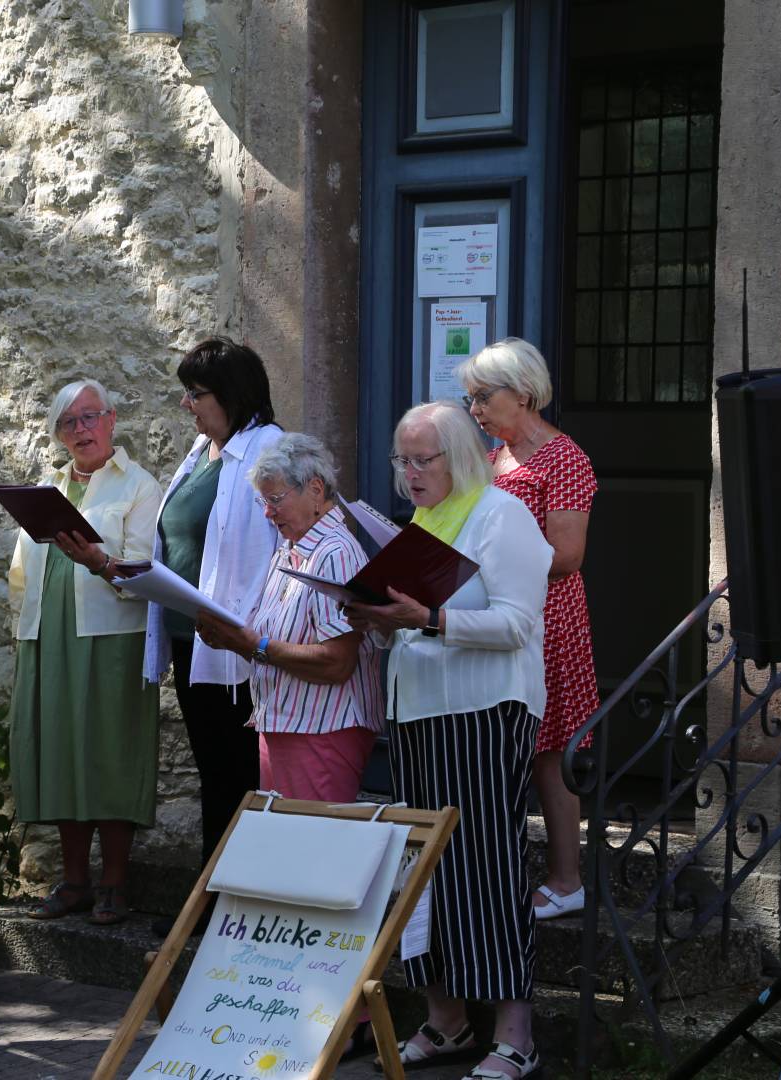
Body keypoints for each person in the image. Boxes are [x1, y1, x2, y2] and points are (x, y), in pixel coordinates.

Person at [344, 403, 552, 1080]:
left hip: (485, 711)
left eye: (421, 460)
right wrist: (380, 620)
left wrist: (427, 618)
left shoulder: (502, 515)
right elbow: (414, 625)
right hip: (419, 714)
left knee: (485, 866)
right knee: (422, 870)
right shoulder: (420, 525)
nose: (408, 475)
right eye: (400, 461)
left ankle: (515, 1037)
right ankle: (446, 1021)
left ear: (459, 456)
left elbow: (517, 624)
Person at [8, 380, 163, 925]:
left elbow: (145, 570)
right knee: (61, 752)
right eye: (69, 423)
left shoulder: (140, 487)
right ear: (59, 435)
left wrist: (99, 560)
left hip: (112, 636)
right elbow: (22, 573)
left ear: (112, 421)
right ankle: (73, 881)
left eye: (90, 417)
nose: (82, 430)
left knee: (110, 753)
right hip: (50, 635)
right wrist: (26, 628)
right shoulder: (44, 489)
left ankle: (114, 882)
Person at [142, 337, 283, 935]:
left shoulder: (269, 453)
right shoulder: (204, 451)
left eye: (196, 393)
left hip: (235, 647)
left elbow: (279, 546)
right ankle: (213, 898)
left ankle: (232, 906)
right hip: (190, 639)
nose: (186, 404)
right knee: (214, 774)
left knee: (238, 775)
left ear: (230, 395)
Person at [458, 337, 599, 920]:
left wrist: (495, 559)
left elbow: (567, 554)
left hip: (550, 619)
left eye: (483, 397)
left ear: (524, 393)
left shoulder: (564, 458)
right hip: (502, 613)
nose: (475, 411)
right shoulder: (495, 459)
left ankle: (567, 880)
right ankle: (498, 873)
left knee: (551, 752)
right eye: (469, 399)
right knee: (507, 744)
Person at [190, 433, 382, 802]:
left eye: (275, 499)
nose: (267, 512)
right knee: (284, 849)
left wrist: (253, 645)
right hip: (282, 724)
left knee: (313, 850)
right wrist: (233, 640)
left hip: (322, 730)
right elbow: (274, 644)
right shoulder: (290, 549)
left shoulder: (335, 553)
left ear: (315, 489)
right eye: (263, 501)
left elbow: (336, 663)